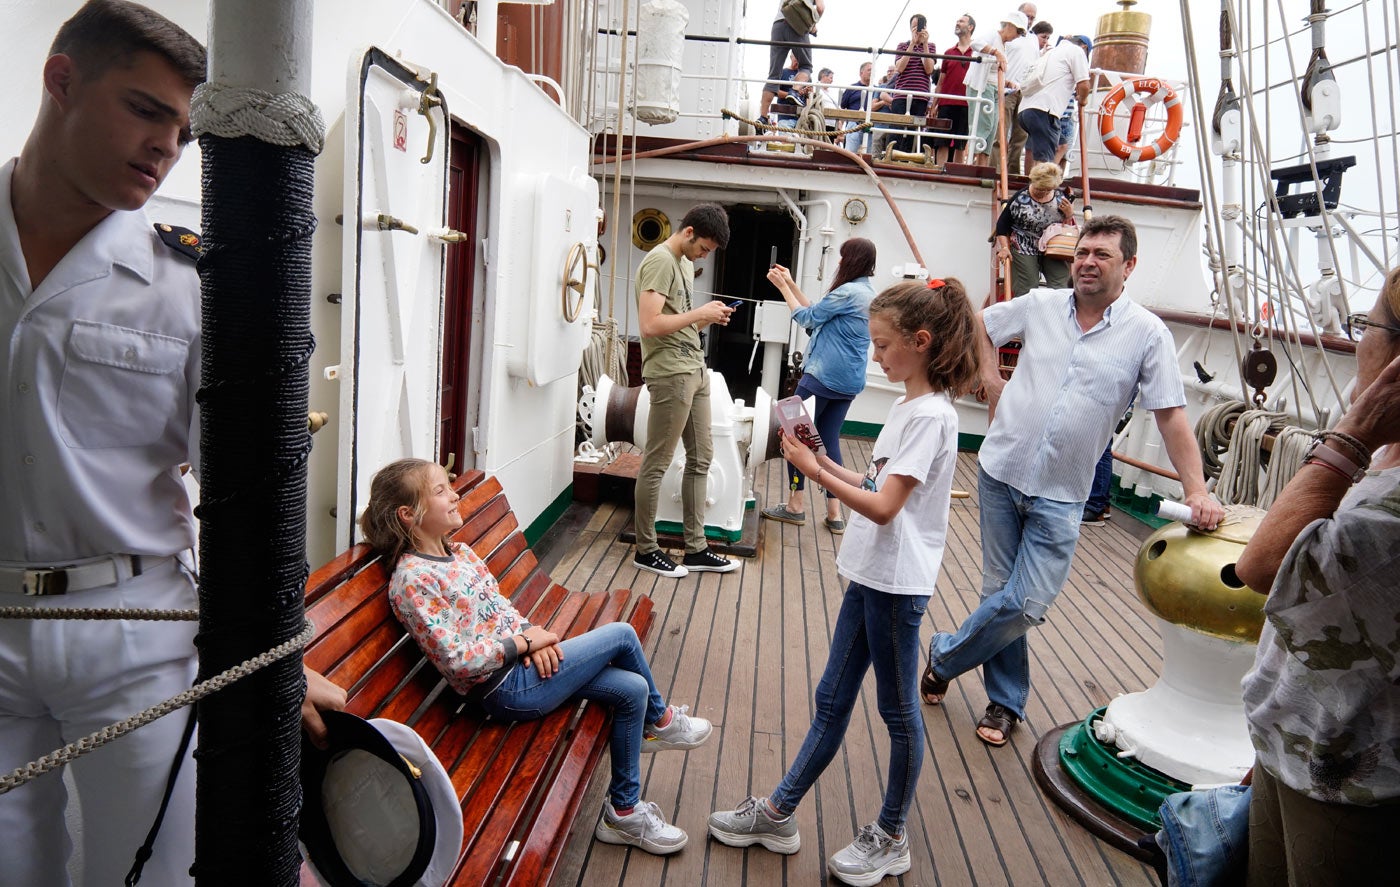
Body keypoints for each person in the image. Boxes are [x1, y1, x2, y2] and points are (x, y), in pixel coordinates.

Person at [0, 3, 346, 885]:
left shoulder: (186, 285)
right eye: (145, 110)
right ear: (61, 79)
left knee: (147, 872)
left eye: (184, 131)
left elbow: (244, 494)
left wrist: (278, 649)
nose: (165, 147)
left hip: (132, 628)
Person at [708, 278, 982, 887]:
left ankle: (891, 835)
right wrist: (822, 458)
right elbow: (877, 480)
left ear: (921, 341)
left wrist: (810, 470)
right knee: (833, 699)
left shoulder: (932, 416)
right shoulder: (911, 408)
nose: (875, 357)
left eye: (884, 346)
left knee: (898, 711)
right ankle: (779, 813)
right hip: (871, 575)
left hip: (894, 585)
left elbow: (884, 508)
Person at [921, 216, 1225, 747]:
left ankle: (945, 656)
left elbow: (1172, 416)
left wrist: (1195, 490)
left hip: (1063, 492)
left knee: (1024, 604)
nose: (1086, 262)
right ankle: (1004, 704)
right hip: (1002, 470)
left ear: (1129, 266)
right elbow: (977, 325)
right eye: (1082, 252)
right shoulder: (1040, 305)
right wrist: (990, 376)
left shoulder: (1147, 335)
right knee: (1001, 592)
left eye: (1102, 255)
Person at [361, 458, 714, 856]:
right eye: (440, 491)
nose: (454, 494)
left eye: (450, 486)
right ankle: (661, 721)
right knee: (622, 635)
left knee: (632, 688)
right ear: (408, 515)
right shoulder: (412, 580)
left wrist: (534, 637)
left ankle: (624, 812)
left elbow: (501, 608)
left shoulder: (459, 554)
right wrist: (523, 645)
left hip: (524, 666)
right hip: (504, 689)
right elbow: (457, 661)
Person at [1234, 270, 1400, 885]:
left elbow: (1261, 566)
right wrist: (1274, 740)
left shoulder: (1391, 510)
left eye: (1367, 327)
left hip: (1349, 786)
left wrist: (1353, 433)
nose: (1359, 343)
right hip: (1303, 749)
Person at [632, 203, 739, 578]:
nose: (704, 256)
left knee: (702, 459)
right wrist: (701, 315)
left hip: (694, 370)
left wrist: (709, 318)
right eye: (705, 249)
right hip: (670, 375)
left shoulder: (681, 263)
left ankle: (695, 549)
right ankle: (646, 550)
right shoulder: (661, 260)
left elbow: (677, 322)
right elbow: (649, 324)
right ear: (689, 232)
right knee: (657, 462)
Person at [761, 238, 878, 533]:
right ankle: (834, 512)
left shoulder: (847, 291)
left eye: (842, 258)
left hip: (823, 377)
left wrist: (782, 287)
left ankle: (795, 505)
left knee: (793, 435)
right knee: (828, 440)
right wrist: (791, 281)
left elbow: (806, 317)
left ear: (851, 260)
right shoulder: (866, 293)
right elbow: (819, 317)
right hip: (849, 381)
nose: (838, 263)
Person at [994, 161, 1076, 296]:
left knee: (1061, 284)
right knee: (1027, 287)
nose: (1042, 193)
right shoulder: (1020, 199)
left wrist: (1069, 213)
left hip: (1052, 244)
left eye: (1047, 190)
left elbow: (1066, 225)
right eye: (1039, 188)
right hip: (1024, 243)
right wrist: (1004, 248)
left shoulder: (1061, 198)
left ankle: (1058, 314)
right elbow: (1002, 226)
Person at [1018, 33, 1090, 170]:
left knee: (1054, 147)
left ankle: (1035, 183)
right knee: (1043, 162)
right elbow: (1084, 85)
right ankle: (1040, 187)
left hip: (1026, 111)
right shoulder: (1077, 51)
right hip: (1044, 111)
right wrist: (1083, 100)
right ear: (1084, 47)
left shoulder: (1051, 53)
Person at [991, 10, 1039, 175]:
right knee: (1000, 134)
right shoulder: (1006, 36)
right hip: (1006, 89)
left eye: (1033, 17)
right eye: (1028, 16)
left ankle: (1012, 173)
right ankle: (995, 171)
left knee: (1020, 136)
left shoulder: (1033, 39)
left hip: (1024, 91)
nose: (1030, 20)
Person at [762, 0, 824, 126]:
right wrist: (812, 25)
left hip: (778, 24)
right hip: (796, 23)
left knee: (774, 75)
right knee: (806, 66)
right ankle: (794, 91)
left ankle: (762, 117)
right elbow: (820, 8)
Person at [888, 14, 937, 154]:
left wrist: (924, 45)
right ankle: (891, 156)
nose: (917, 29)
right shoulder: (902, 45)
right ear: (910, 28)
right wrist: (912, 45)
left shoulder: (931, 47)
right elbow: (899, 68)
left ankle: (909, 157)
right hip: (901, 94)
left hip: (920, 96)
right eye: (914, 27)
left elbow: (929, 69)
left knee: (913, 132)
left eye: (920, 26)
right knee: (896, 129)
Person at [932, 14, 975, 165]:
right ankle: (939, 170)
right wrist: (934, 104)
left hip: (967, 103)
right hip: (946, 103)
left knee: (961, 143)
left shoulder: (976, 53)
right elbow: (941, 81)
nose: (957, 23)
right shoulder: (949, 53)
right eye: (957, 21)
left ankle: (958, 172)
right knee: (941, 141)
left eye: (961, 21)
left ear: (970, 27)